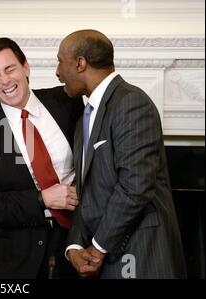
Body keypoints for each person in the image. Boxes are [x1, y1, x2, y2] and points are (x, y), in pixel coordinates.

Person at [56, 29, 187, 278]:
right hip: (105, 258)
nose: (58, 72)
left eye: (61, 61)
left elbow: (135, 187)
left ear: (80, 63)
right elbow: (86, 191)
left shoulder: (131, 103)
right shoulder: (86, 116)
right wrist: (74, 246)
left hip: (142, 254)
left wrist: (96, 248)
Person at [0, 37, 84, 278]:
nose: (5, 80)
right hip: (20, 259)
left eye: (10, 69)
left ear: (25, 67)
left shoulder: (68, 102)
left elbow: (97, 161)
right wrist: (42, 199)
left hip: (79, 238)